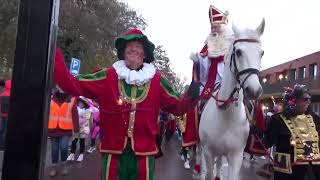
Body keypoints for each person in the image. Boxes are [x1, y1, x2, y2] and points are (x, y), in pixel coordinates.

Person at [54, 28, 200, 179]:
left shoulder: (156, 80)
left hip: (144, 154)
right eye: (130, 49)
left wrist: (193, 93)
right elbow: (73, 83)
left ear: (144, 55)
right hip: (114, 152)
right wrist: (54, 53)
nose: (134, 52)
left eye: (138, 49)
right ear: (124, 53)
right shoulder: (107, 76)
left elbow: (177, 106)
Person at [188, 5, 233, 174]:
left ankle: (249, 139)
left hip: (229, 84)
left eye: (216, 26)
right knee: (197, 107)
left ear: (223, 26)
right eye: (212, 27)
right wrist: (197, 60)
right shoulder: (208, 44)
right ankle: (199, 139)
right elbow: (204, 70)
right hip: (211, 86)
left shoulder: (231, 43)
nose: (213, 29)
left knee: (249, 106)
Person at [263, 84, 320, 179]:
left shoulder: (315, 119)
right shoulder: (278, 120)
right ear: (294, 101)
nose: (308, 102)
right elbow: (266, 143)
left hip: (311, 172)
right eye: (305, 99)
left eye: (309, 99)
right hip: (287, 174)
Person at [48, 88, 79, 177]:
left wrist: (76, 130)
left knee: (64, 147)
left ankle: (64, 166)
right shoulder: (51, 98)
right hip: (53, 128)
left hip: (66, 129)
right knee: (54, 149)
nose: (61, 87)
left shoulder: (72, 99)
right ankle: (53, 167)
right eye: (59, 85)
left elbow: (75, 114)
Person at [67, 96, 92, 162]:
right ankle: (72, 154)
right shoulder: (75, 108)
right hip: (75, 128)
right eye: (79, 102)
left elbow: (87, 119)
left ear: (84, 103)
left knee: (82, 142)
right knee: (74, 141)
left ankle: (81, 155)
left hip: (83, 128)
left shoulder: (87, 110)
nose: (80, 104)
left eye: (82, 102)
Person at [0, 79, 11, 150]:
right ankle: (4, 146)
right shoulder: (13, 95)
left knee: (2, 130)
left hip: (2, 114)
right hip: (9, 115)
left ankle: (1, 145)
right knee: (6, 131)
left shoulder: (1, 95)